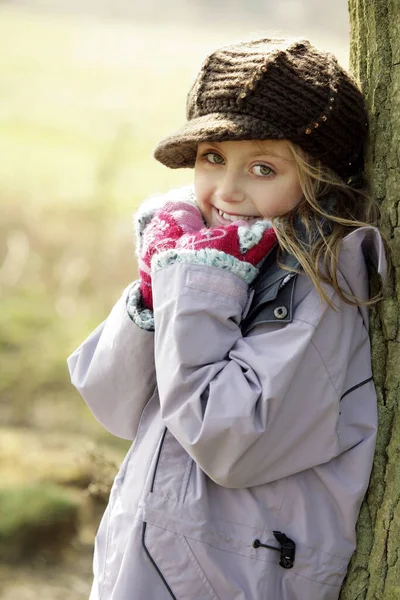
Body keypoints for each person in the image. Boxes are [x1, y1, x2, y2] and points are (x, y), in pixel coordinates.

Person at [68, 38, 387, 600]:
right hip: (146, 558)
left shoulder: (320, 283)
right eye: (212, 157)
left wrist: (199, 283)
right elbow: (110, 398)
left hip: (238, 577)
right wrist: (156, 287)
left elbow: (227, 441)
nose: (228, 191)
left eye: (262, 167)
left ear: (318, 179)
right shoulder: (203, 254)